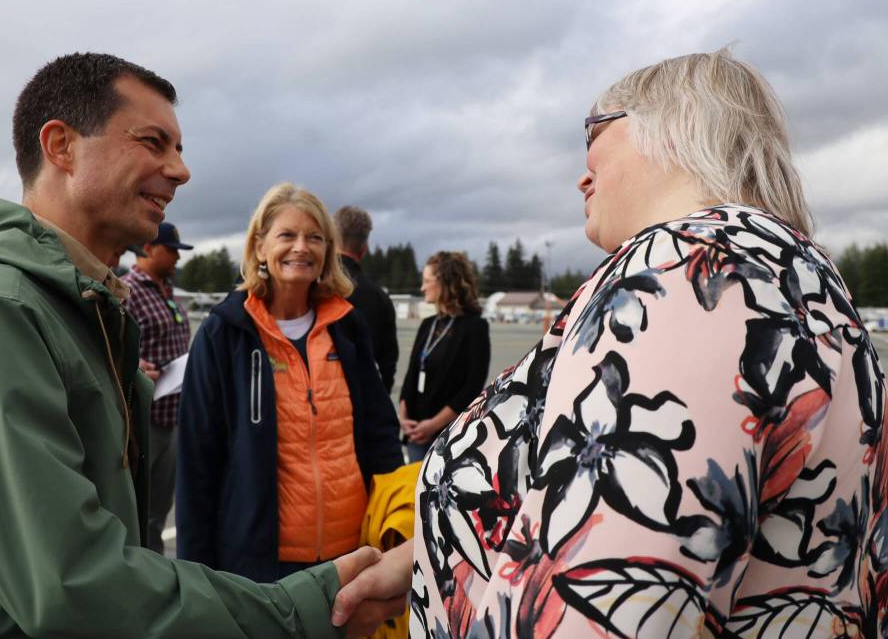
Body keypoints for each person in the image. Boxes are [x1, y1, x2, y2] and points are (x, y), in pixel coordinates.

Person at [332, 49, 888, 637]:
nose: (581, 173)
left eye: (595, 131)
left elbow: (603, 600)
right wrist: (441, 560)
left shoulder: (690, 276)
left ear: (677, 124)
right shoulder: (801, 283)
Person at [0, 52, 389, 638]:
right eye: (154, 142)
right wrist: (302, 608)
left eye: (180, 149)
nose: (182, 170)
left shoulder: (77, 309)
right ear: (61, 146)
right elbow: (77, 584)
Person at [177, 182, 404, 583]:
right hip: (259, 568)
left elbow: (380, 436)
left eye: (314, 237)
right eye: (287, 235)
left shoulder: (348, 330)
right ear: (260, 246)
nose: (302, 247)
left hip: (350, 559)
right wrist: (196, 577)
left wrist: (396, 533)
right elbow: (197, 463)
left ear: (328, 251)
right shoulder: (223, 335)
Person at [120, 221, 193, 554]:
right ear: (147, 248)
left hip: (172, 420)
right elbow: (112, 351)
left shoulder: (168, 294)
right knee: (134, 513)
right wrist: (134, 369)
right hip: (142, 424)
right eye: (172, 251)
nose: (177, 259)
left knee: (158, 512)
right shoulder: (126, 292)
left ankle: (157, 575)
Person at [398, 251, 490, 462]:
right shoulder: (428, 325)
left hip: (447, 435)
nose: (422, 288)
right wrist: (403, 417)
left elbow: (472, 387)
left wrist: (433, 425)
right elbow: (412, 373)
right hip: (415, 432)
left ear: (446, 283)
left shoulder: (474, 327)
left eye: (427, 281)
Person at [334, 205, 399, 392]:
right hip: (365, 401)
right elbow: (388, 362)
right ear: (363, 249)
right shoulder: (381, 298)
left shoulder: (313, 287)